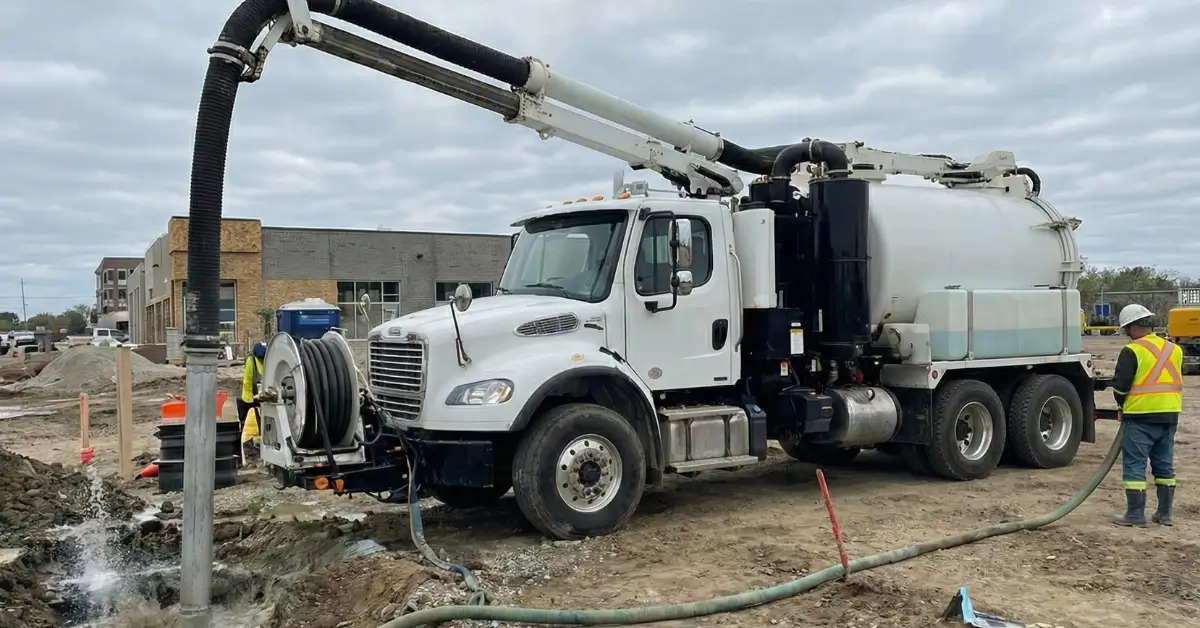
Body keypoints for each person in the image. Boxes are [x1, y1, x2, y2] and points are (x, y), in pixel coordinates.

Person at [1110, 304, 1181, 527]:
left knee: (1135, 466)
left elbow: (1120, 387)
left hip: (1140, 416)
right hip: (1169, 415)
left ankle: (1135, 515)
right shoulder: (1174, 349)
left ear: (1132, 327)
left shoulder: (1132, 350)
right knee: (1164, 466)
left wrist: (1121, 403)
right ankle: (1165, 514)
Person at [238, 342, 266, 439]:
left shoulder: (268, 359)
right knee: (251, 422)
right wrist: (251, 400)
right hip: (250, 398)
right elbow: (247, 381)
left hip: (261, 396)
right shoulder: (251, 361)